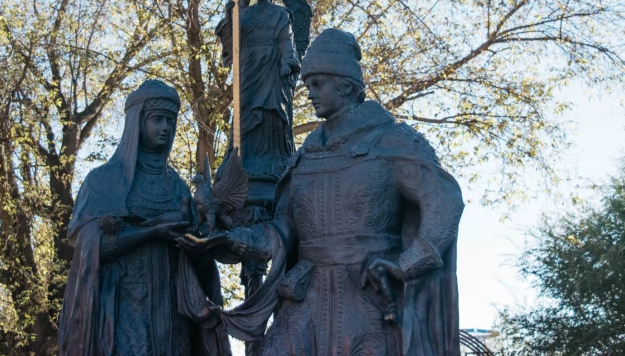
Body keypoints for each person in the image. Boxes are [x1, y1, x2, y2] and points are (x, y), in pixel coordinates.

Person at [181, 29, 465, 356]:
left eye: (318, 84)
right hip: (305, 301)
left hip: (367, 300)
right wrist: (231, 239)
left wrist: (405, 265)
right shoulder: (304, 157)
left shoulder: (390, 141)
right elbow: (283, 232)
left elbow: (444, 201)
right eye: (307, 85)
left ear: (345, 83)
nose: (310, 94)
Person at [58, 80, 230, 356]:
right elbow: (91, 249)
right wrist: (150, 232)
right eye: (158, 119)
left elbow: (198, 261)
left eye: (171, 121)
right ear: (137, 123)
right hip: (124, 310)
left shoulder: (178, 187)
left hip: (174, 314)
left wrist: (200, 244)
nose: (166, 127)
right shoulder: (104, 181)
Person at [215, 0, 301, 208]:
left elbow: (286, 40)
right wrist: (230, 14)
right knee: (245, 110)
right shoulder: (246, 14)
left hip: (272, 66)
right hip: (250, 66)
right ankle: (244, 160)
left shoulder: (280, 14)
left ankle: (272, 162)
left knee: (273, 109)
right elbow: (232, 40)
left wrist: (287, 61)